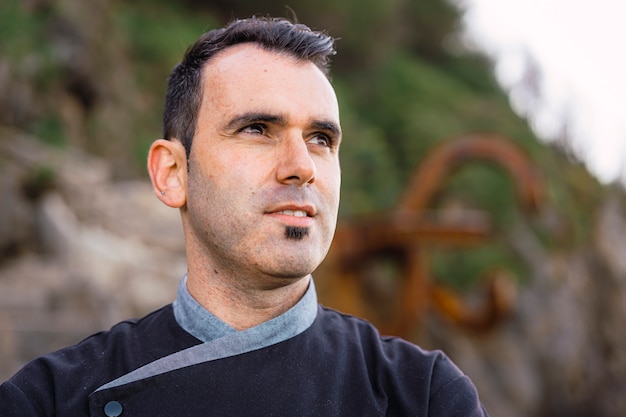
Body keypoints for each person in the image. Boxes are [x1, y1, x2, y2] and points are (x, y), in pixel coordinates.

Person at [0, 16, 488, 416]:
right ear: (173, 173)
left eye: (321, 139)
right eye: (258, 129)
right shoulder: (48, 400)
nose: (301, 167)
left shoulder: (424, 395)